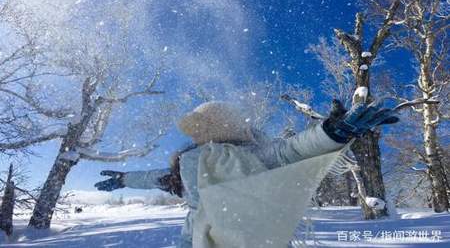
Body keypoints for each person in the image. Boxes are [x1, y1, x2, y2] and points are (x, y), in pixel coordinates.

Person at [95, 100, 399, 248]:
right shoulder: (186, 163)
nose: (201, 131)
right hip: (194, 240)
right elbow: (153, 178)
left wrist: (332, 133)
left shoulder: (252, 155)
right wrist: (123, 179)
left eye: (205, 124)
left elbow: (292, 150)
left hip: (249, 237)